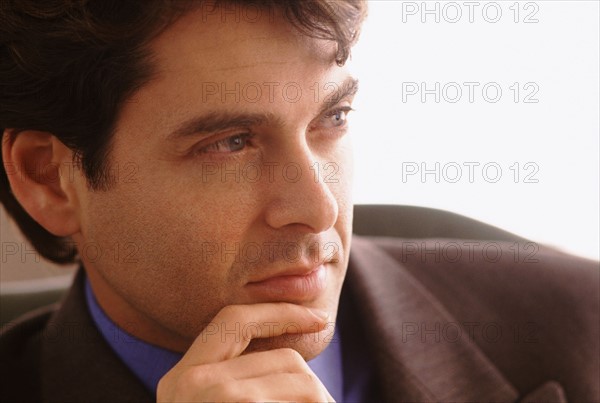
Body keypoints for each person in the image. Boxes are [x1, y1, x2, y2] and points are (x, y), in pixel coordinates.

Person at [0, 1, 597, 402]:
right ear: (51, 179)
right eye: (230, 144)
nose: (319, 209)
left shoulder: (584, 327)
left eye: (332, 117)